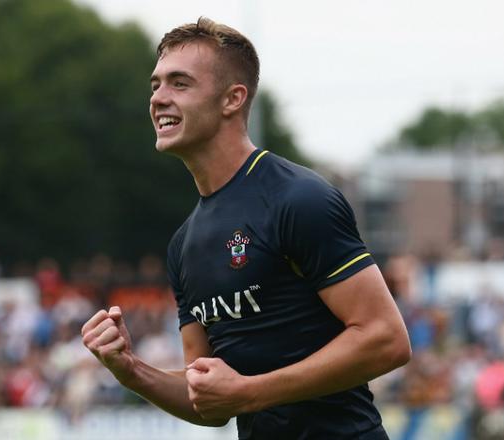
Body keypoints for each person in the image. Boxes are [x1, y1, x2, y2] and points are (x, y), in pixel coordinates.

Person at [81, 17, 411, 439]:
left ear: (232, 99)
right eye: (156, 85)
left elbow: (386, 339)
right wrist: (130, 370)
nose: (159, 98)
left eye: (179, 84)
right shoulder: (183, 245)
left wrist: (250, 393)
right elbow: (209, 402)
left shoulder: (297, 199)